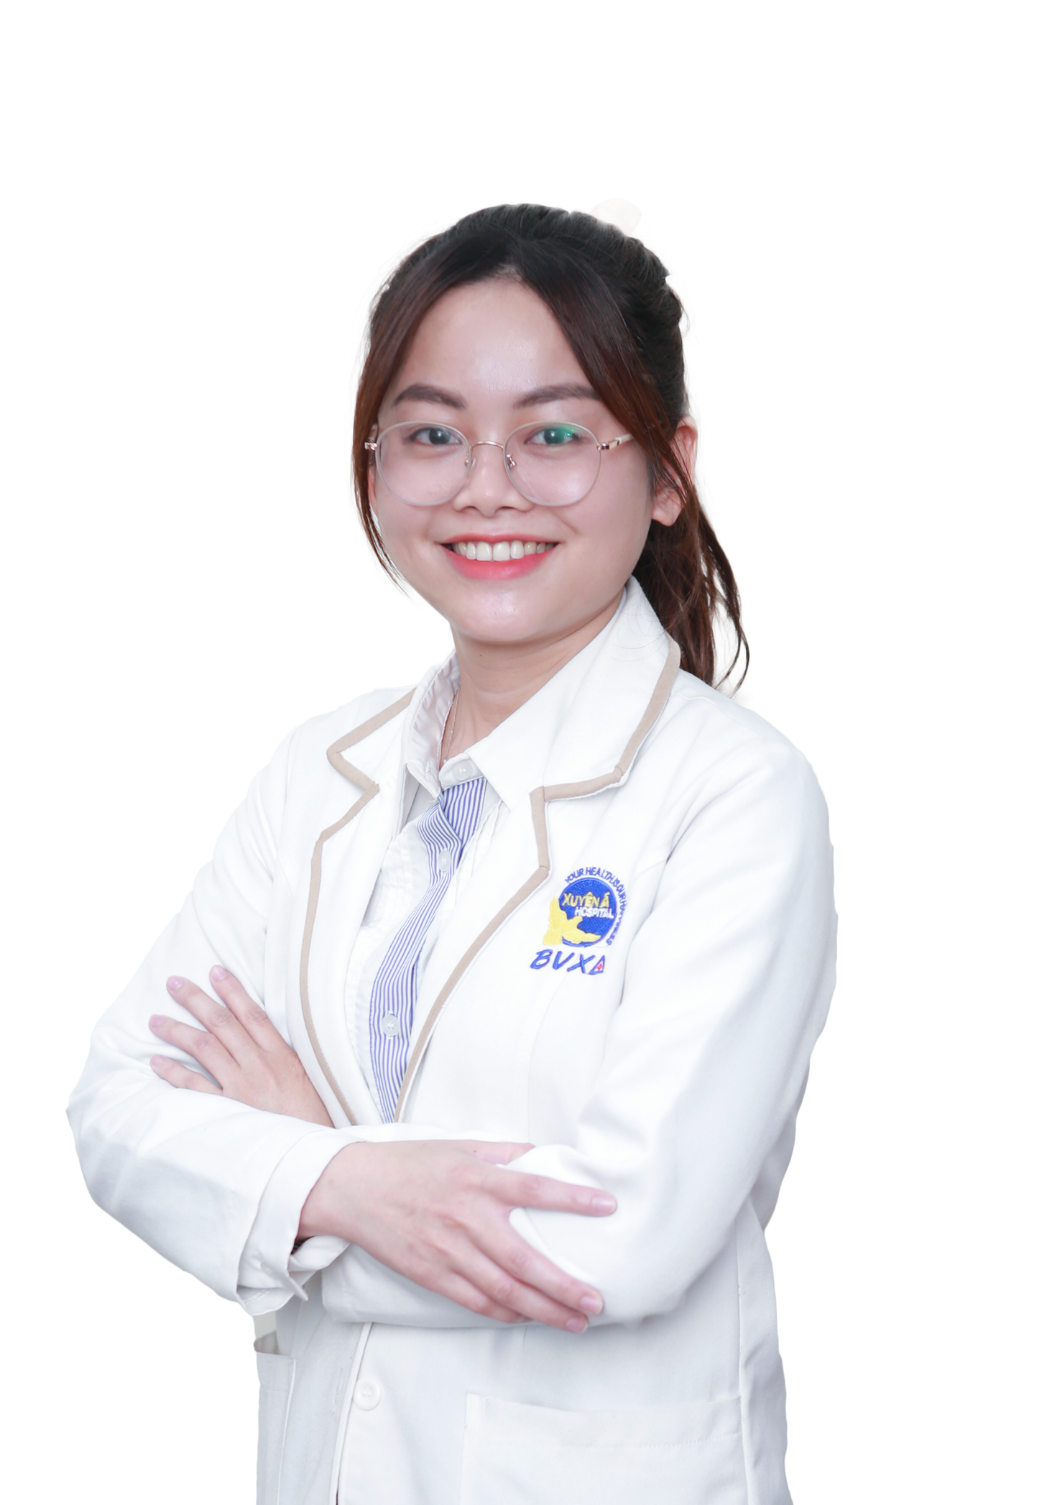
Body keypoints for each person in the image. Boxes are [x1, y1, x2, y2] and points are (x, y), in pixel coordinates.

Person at [67, 197, 837, 1505]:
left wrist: (288, 1181)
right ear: (371, 466)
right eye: (432, 433)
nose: (487, 486)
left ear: (670, 471)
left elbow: (621, 1240)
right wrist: (340, 1179)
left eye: (554, 433)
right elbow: (121, 1110)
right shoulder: (322, 770)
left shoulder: (735, 796)